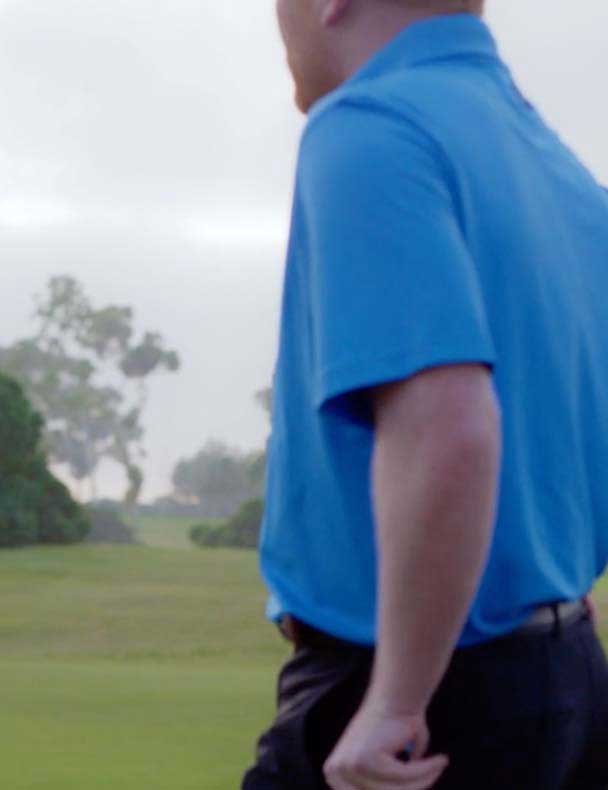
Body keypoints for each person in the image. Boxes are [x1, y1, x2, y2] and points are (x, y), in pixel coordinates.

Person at [245, 1, 608, 788]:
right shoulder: (561, 170)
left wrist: (394, 700)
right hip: (565, 676)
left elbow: (450, 428)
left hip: (418, 710)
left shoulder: (368, 128)